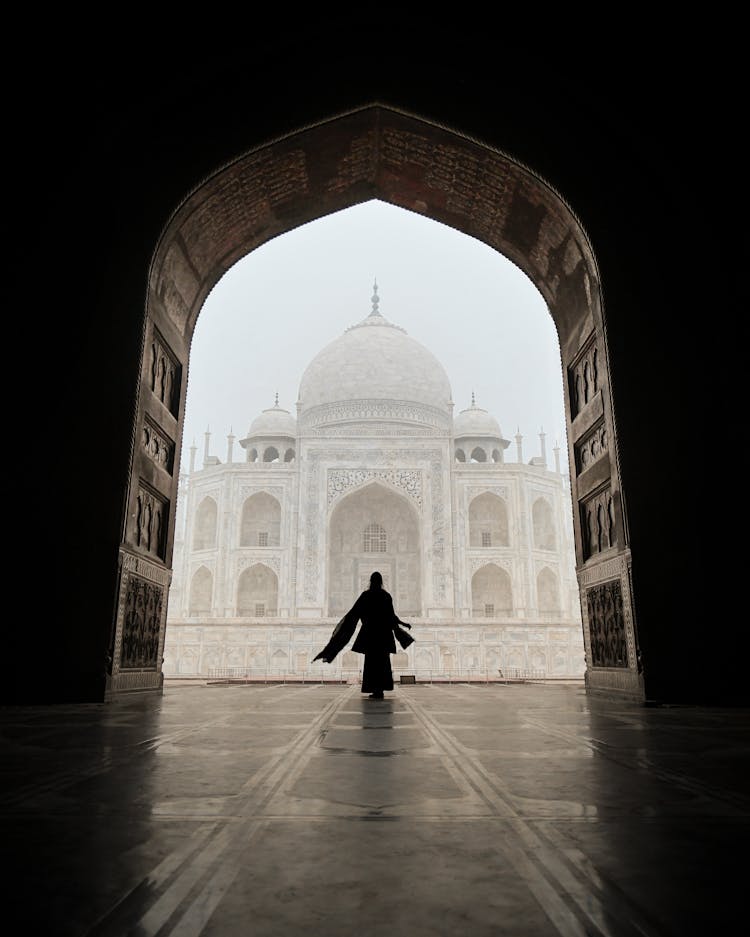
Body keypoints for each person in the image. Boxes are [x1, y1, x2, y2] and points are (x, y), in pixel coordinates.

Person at [313, 571, 414, 699]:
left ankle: (374, 689)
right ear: (381, 582)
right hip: (383, 635)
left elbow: (354, 614)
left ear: (370, 581)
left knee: (371, 662)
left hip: (370, 634)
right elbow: (391, 617)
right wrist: (403, 624)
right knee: (383, 662)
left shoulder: (366, 596)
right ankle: (380, 690)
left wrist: (341, 631)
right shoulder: (385, 596)